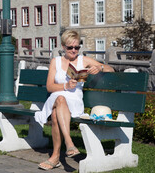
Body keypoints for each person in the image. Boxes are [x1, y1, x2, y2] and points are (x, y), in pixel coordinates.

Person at [35, 30, 114, 171]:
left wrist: (99, 67)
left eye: (76, 47)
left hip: (74, 100)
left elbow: (111, 69)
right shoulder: (56, 61)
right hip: (57, 95)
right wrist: (65, 86)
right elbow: (49, 86)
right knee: (59, 98)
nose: (73, 50)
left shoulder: (84, 60)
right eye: (70, 47)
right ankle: (69, 142)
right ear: (63, 47)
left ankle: (55, 156)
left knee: (55, 115)